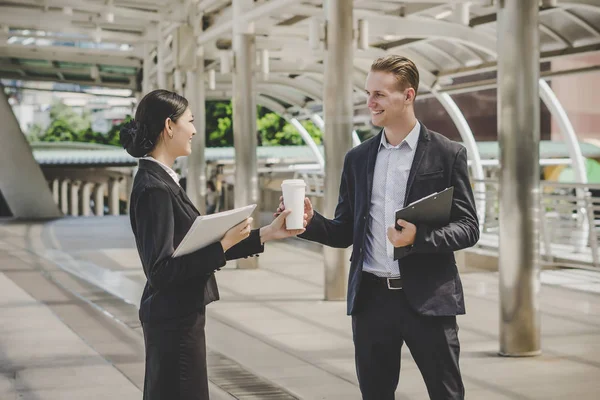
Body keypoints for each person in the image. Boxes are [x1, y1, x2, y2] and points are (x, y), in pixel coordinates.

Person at [277, 55, 479, 399]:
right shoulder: (357, 159)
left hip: (429, 299)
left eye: (380, 95)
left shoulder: (448, 154)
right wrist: (311, 223)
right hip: (372, 300)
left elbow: (469, 227)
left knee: (446, 394)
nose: (370, 102)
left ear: (408, 96)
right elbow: (343, 232)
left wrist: (421, 237)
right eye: (368, 93)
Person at [120, 89, 306, 400]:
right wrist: (221, 247)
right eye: (189, 122)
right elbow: (161, 271)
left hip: (176, 317)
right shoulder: (155, 188)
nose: (193, 130)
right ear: (169, 126)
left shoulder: (162, 180)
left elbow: (192, 248)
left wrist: (268, 233)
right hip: (174, 322)